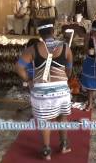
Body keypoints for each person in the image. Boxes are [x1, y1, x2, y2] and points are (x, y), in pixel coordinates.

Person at [16, 19, 73, 161]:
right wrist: (62, 80)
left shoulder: (33, 49)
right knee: (62, 117)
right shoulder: (65, 47)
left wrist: (29, 80)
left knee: (45, 121)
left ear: (39, 33)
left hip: (42, 91)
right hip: (62, 91)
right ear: (53, 31)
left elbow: (19, 67)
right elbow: (69, 70)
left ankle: (47, 151)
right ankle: (64, 145)